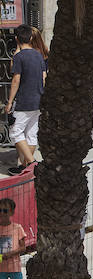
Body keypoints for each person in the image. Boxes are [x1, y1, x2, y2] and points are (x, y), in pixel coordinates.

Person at [5, 27, 45, 174]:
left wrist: (9, 102)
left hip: (24, 101)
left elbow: (16, 79)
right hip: (38, 100)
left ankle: (32, 163)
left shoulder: (19, 57)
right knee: (31, 134)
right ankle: (24, 166)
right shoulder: (38, 56)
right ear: (30, 39)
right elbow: (44, 77)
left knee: (15, 132)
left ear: (17, 39)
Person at [0, 197, 29, 279]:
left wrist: (11, 253)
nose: (2, 213)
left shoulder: (17, 228)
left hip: (15, 268)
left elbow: (23, 248)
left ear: (11, 212)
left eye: (5, 211)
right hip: (1, 270)